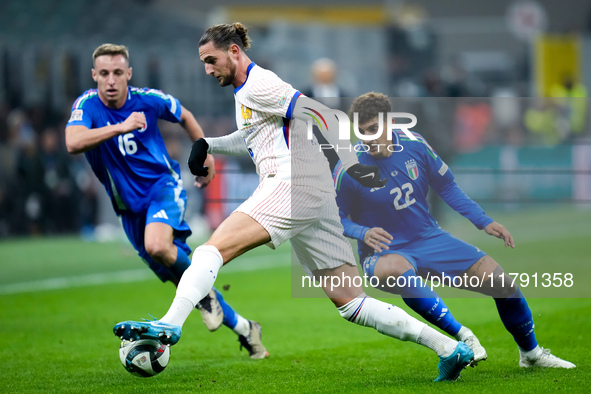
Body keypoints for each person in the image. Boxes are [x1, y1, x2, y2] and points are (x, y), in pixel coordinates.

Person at [114, 23, 475, 382]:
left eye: (211, 60)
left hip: (291, 185)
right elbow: (254, 136)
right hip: (314, 194)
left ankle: (169, 326)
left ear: (234, 51)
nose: (208, 69)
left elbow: (326, 115)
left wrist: (353, 165)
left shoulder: (260, 83)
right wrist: (209, 144)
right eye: (204, 63)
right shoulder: (247, 90)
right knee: (351, 301)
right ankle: (449, 349)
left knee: (212, 250)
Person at [333, 92, 575, 369]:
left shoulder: (414, 144)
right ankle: (464, 337)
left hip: (428, 237)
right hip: (384, 253)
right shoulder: (349, 167)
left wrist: (483, 220)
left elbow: (446, 185)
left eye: (374, 129)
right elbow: (334, 218)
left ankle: (531, 355)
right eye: (361, 131)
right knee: (399, 271)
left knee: (503, 284)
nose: (367, 137)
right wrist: (361, 232)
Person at [65, 43, 268, 359]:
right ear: (94, 75)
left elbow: (184, 115)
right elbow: (73, 142)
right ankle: (245, 329)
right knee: (182, 277)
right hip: (129, 208)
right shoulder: (87, 106)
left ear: (128, 74)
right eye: (104, 73)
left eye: (118, 73)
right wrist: (120, 126)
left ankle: (210, 302)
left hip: (163, 187)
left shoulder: (147, 99)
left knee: (157, 246)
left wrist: (206, 154)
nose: (111, 80)